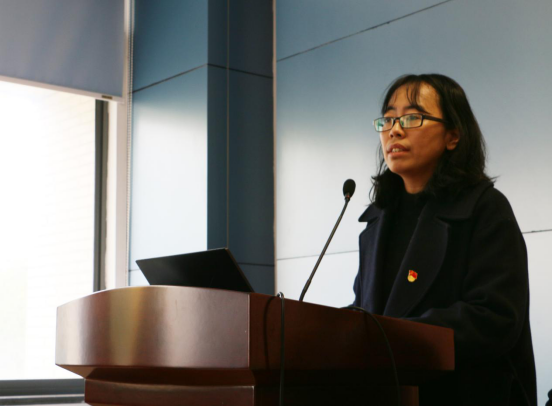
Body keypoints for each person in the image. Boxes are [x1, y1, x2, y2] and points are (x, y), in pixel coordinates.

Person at [352, 74, 537, 406]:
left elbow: (495, 318)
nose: (394, 130)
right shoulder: (378, 219)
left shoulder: (484, 209)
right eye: (388, 119)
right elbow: (366, 313)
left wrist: (395, 337)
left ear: (453, 135)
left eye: (412, 117)